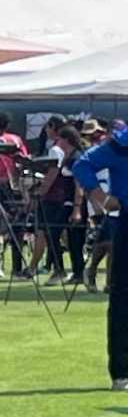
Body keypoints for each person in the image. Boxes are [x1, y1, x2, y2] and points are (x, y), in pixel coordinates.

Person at [67, 126, 128, 390]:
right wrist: (99, 195)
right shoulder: (122, 143)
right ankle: (122, 372)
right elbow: (83, 164)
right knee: (123, 298)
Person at [38, 126, 86, 286]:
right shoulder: (68, 157)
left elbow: (79, 185)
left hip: (73, 203)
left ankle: (74, 272)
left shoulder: (76, 159)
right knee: (57, 234)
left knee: (72, 238)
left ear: (66, 140)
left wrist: (77, 208)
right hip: (66, 202)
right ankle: (67, 270)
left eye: (60, 139)